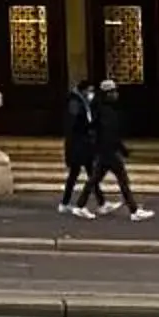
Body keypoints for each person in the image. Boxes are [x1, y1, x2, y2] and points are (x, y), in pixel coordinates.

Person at [90, 76, 153, 221]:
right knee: (123, 181)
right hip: (109, 152)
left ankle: (83, 204)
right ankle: (134, 210)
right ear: (107, 94)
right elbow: (109, 133)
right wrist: (121, 149)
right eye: (113, 92)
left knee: (94, 180)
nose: (116, 94)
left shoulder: (103, 109)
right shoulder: (106, 111)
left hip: (106, 152)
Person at [58, 75, 100, 217]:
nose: (91, 94)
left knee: (89, 174)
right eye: (89, 91)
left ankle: (101, 202)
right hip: (78, 145)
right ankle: (67, 203)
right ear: (83, 91)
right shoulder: (75, 102)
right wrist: (88, 127)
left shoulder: (82, 102)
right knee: (79, 175)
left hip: (83, 144)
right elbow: (74, 123)